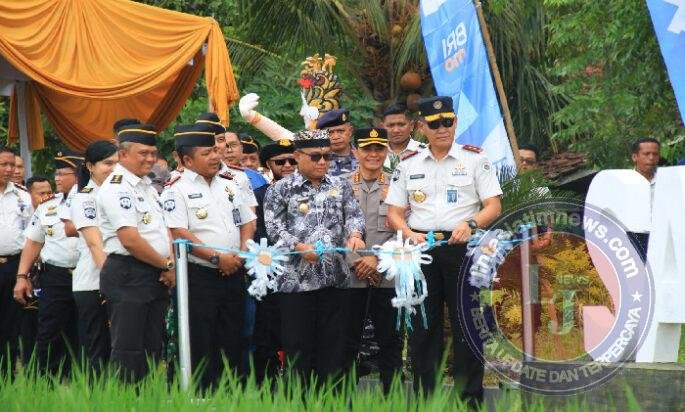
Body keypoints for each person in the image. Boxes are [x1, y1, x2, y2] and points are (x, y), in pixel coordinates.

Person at [385, 96, 502, 405]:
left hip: (463, 247)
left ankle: (469, 402)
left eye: (447, 122)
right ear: (421, 127)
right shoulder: (408, 164)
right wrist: (408, 233)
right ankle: (427, 402)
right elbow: (394, 212)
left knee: (468, 326)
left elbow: (493, 205)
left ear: (455, 123)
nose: (442, 129)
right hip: (422, 248)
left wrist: (472, 224)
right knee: (423, 328)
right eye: (434, 124)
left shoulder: (475, 159)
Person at [264, 129, 365, 386]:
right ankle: (298, 400)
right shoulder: (281, 189)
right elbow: (274, 228)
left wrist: (355, 234)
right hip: (297, 283)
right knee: (298, 349)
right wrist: (298, 247)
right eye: (316, 156)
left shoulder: (340, 185)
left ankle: (331, 400)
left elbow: (354, 215)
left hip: (336, 280)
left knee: (334, 350)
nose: (322, 162)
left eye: (327, 156)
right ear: (297, 155)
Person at [162, 123, 256, 389]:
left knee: (233, 336)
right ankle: (201, 396)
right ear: (187, 160)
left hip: (234, 271)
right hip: (199, 275)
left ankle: (231, 395)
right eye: (207, 153)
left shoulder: (229, 184)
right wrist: (216, 258)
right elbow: (178, 232)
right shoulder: (175, 189)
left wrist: (240, 253)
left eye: (215, 150)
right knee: (201, 340)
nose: (216, 156)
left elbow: (247, 222)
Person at [97, 123, 175, 382]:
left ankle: (148, 398)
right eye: (143, 153)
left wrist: (167, 264)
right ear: (122, 154)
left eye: (153, 153)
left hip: (154, 272)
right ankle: (126, 399)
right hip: (128, 273)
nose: (150, 159)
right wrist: (166, 266)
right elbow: (130, 240)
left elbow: (160, 232)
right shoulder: (117, 186)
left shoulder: (146, 186)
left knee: (152, 346)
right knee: (128, 348)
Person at [343, 127, 402, 394]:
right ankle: (343, 401)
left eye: (379, 148)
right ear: (356, 151)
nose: (373, 154)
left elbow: (405, 228)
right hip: (350, 277)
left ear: (386, 151)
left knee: (390, 342)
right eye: (367, 148)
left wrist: (377, 259)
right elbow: (333, 228)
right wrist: (357, 262)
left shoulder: (398, 185)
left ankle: (394, 400)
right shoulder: (340, 185)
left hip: (386, 276)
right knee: (346, 343)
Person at [14, 150, 83, 377]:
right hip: (55, 275)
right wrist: (22, 276)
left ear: (78, 174)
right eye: (57, 173)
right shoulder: (48, 206)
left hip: (86, 273)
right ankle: (45, 380)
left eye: (63, 173)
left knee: (85, 330)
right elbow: (33, 242)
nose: (57, 178)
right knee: (49, 330)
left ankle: (82, 378)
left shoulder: (91, 200)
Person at [69, 140, 118, 372]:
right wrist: (112, 283)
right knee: (98, 351)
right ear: (90, 166)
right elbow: (94, 244)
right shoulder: (85, 198)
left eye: (118, 163)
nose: (114, 168)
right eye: (108, 163)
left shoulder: (118, 193)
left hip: (118, 281)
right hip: (95, 283)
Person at [251, 138, 297, 382]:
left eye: (292, 160)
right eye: (281, 162)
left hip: (303, 272)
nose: (288, 165)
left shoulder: (309, 192)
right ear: (268, 164)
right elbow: (257, 232)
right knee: (268, 331)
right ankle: (265, 385)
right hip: (270, 273)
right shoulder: (259, 195)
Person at [0, 146, 32, 376]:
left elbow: (32, 235)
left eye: (12, 164)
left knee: (11, 324)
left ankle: (7, 375)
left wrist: (25, 273)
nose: (9, 169)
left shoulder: (23, 196)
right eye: (4, 164)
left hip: (14, 266)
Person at [19, 176, 51, 364]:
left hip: (47, 276)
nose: (46, 197)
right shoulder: (24, 215)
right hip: (25, 274)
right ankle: (29, 366)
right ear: (29, 195)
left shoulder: (54, 212)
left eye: (49, 192)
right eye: (41, 193)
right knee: (28, 325)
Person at [629, 137, 660, 261]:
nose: (651, 158)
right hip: (637, 241)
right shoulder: (625, 183)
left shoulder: (667, 181)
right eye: (646, 154)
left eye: (655, 154)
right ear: (634, 157)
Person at [381, 103, 425, 173]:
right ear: (382, 127)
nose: (396, 130)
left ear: (411, 125)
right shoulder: (375, 154)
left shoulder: (424, 152)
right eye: (391, 125)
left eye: (401, 125)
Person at [316, 108, 358, 176]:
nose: (336, 137)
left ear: (350, 131)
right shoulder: (317, 161)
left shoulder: (364, 156)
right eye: (330, 133)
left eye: (341, 131)